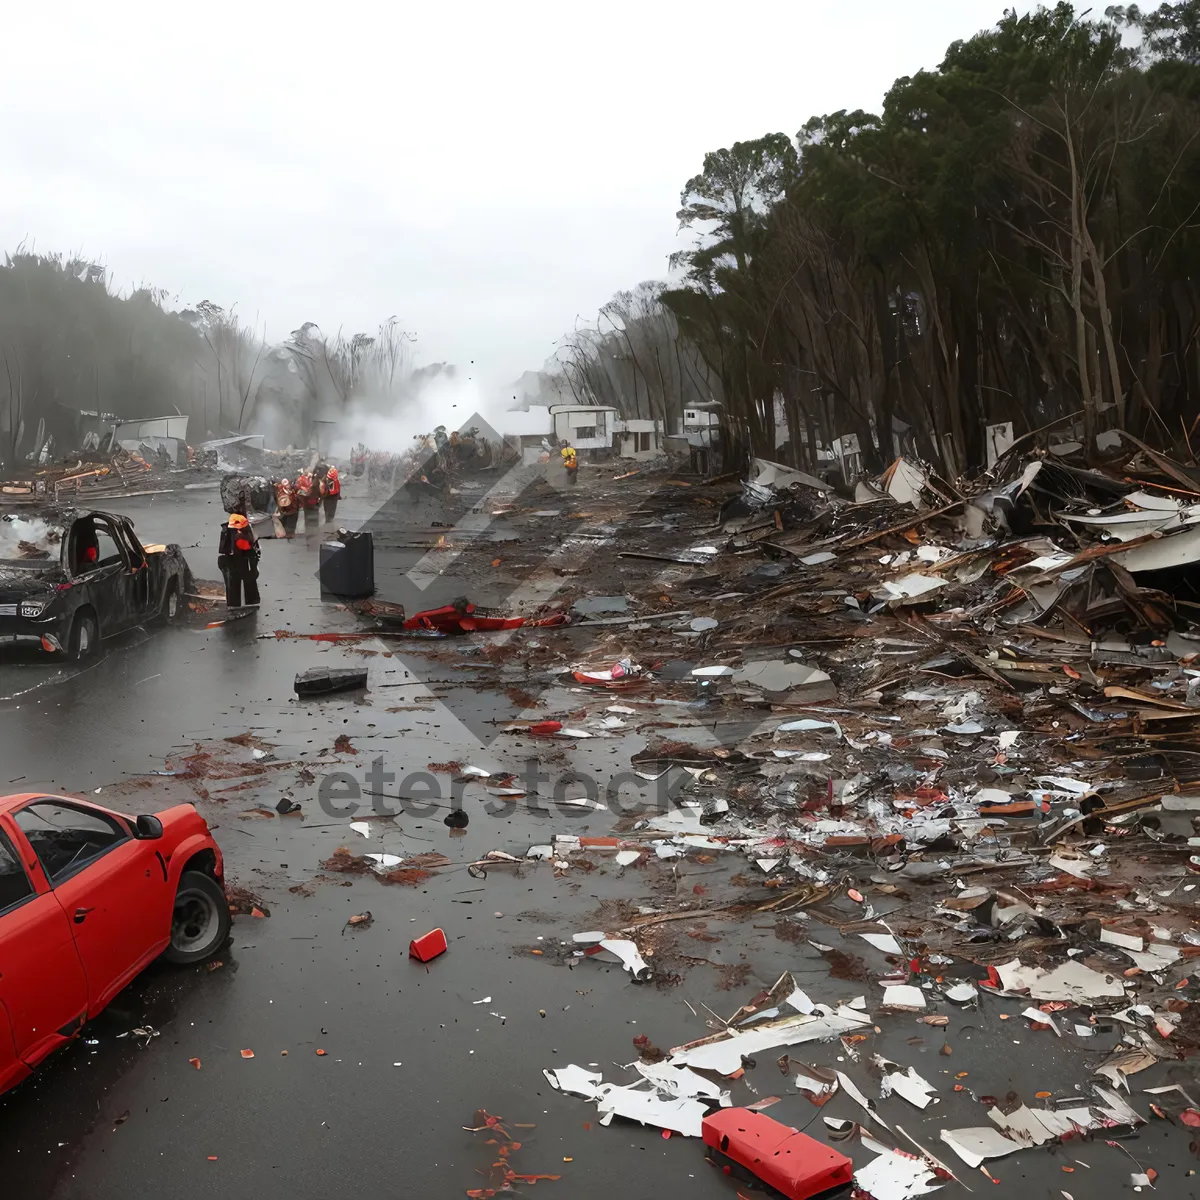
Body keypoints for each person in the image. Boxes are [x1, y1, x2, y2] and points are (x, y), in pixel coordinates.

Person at [218, 513, 260, 608]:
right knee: (239, 579)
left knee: (240, 580)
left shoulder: (232, 533)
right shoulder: (234, 533)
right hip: (236, 558)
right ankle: (243, 601)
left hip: (240, 557)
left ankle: (244, 601)